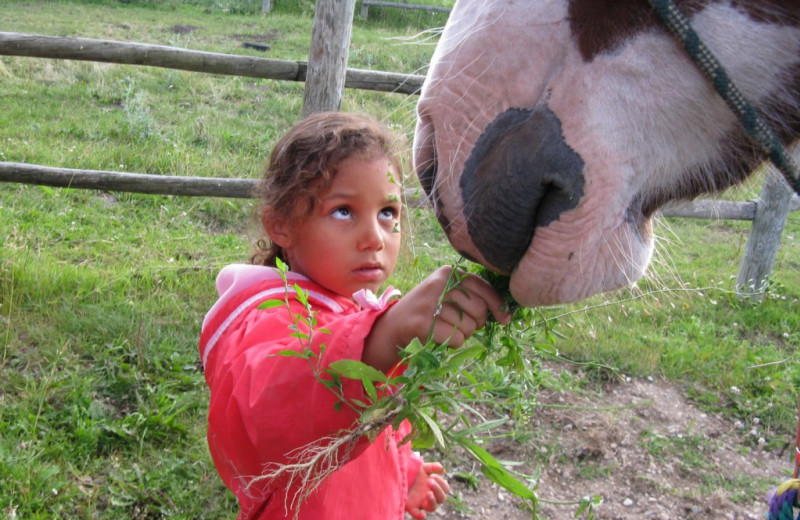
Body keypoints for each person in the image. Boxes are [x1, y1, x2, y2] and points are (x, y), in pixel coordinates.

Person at [199, 111, 510, 520]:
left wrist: (404, 475)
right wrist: (382, 338)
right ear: (281, 225)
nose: (375, 238)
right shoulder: (267, 317)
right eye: (344, 211)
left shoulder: (353, 308)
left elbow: (366, 425)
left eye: (388, 213)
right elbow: (266, 410)